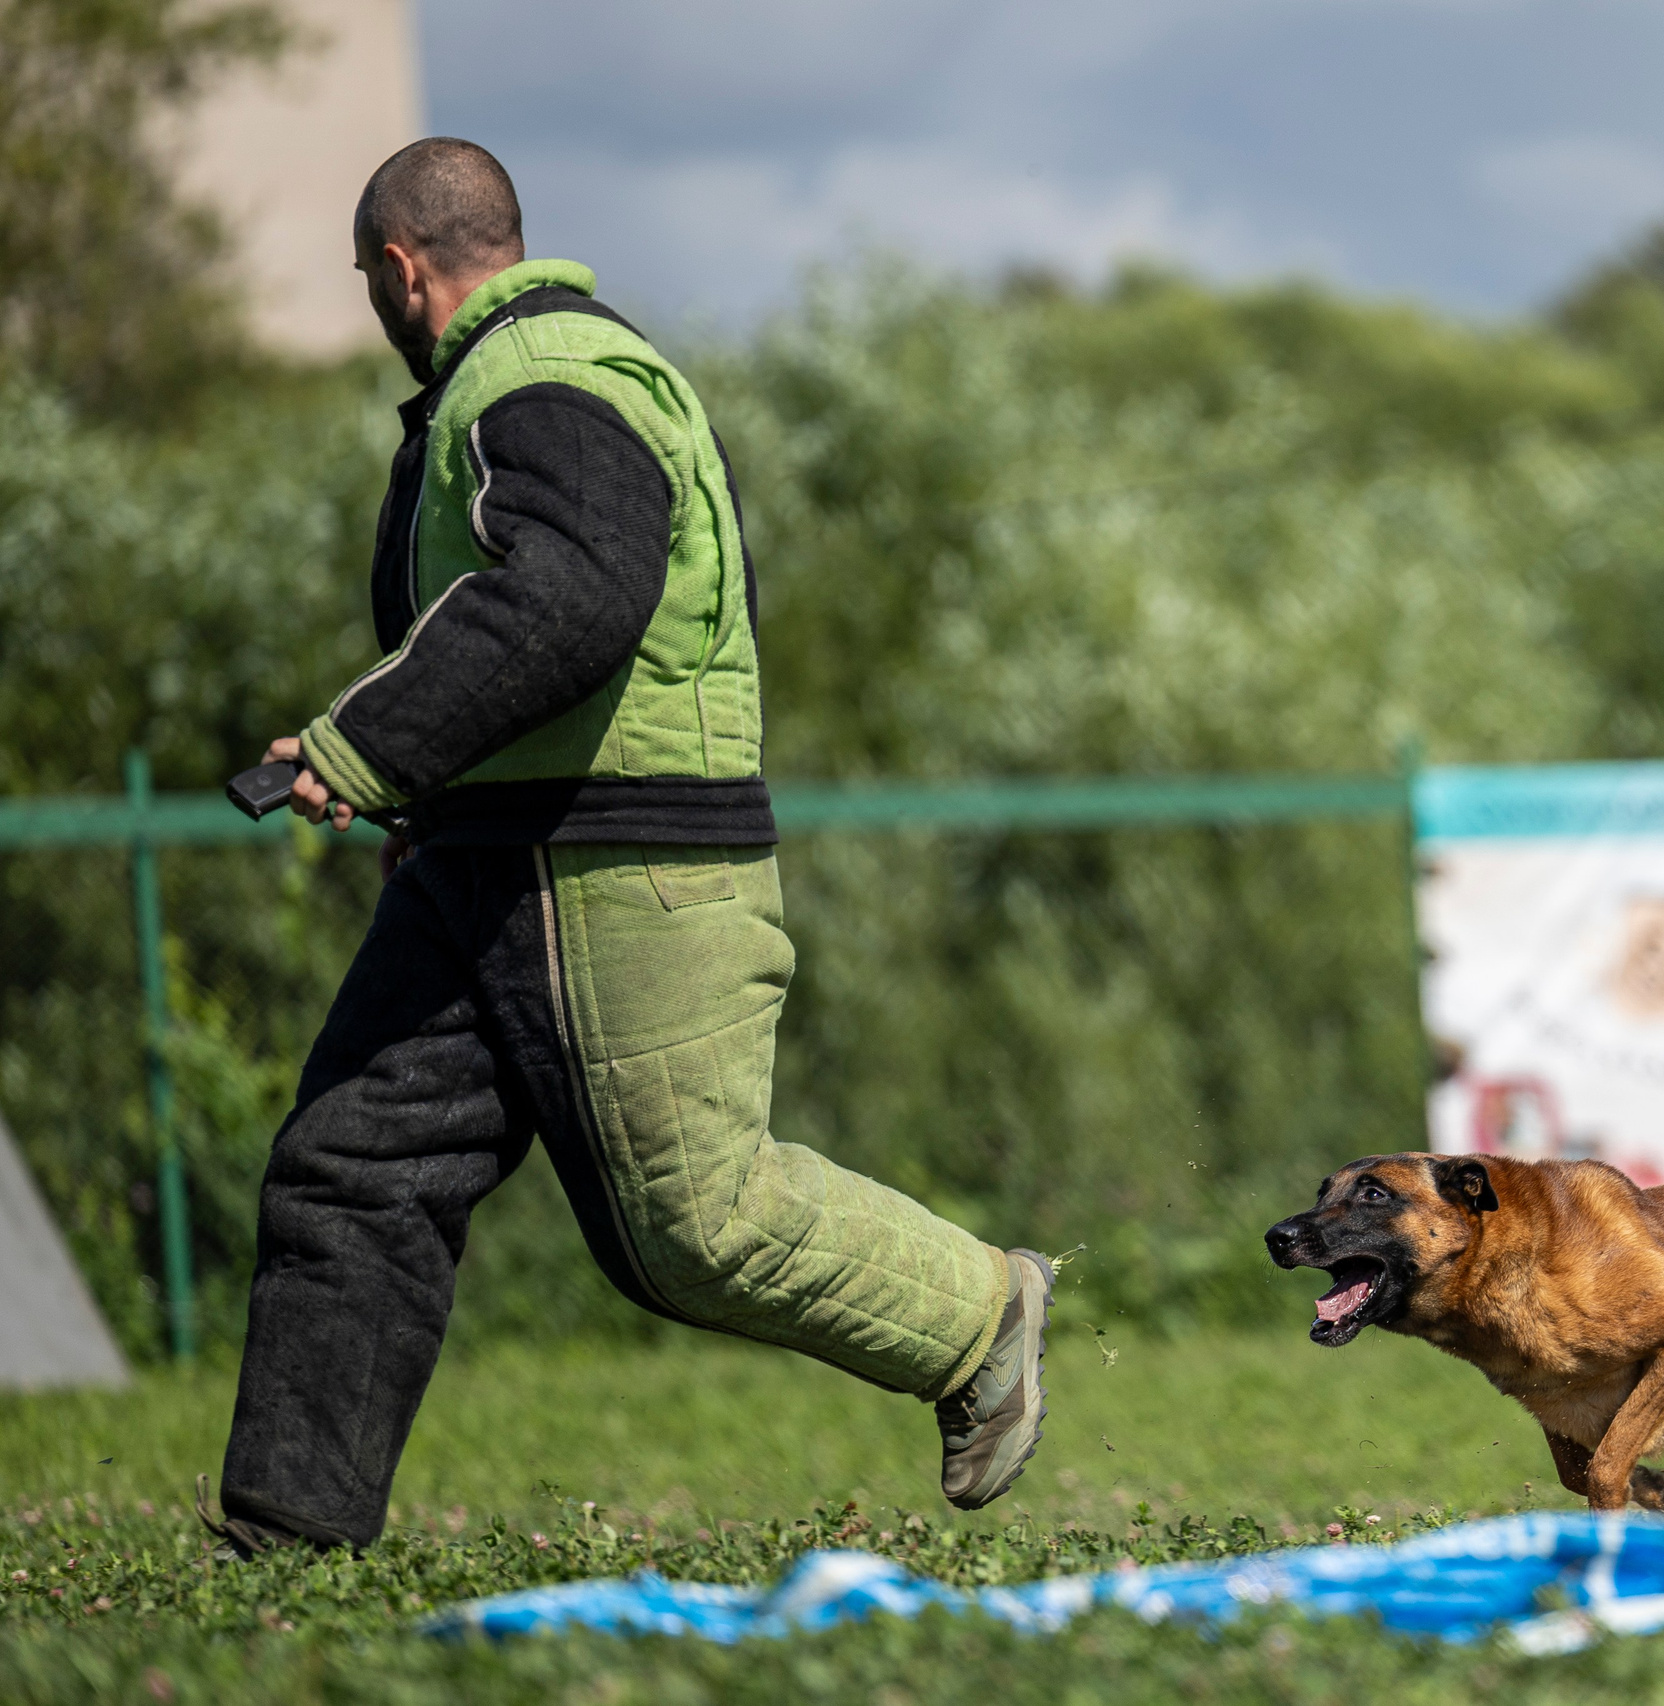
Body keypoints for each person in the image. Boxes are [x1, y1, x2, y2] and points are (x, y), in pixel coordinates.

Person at [201, 138, 1050, 1554]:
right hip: (494, 853)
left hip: (616, 855)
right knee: (352, 1165)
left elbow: (579, 595)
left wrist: (366, 745)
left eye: (367, 279)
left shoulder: (548, 377)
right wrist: (431, 806)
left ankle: (980, 1313)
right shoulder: (524, 380)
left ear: (400, 270)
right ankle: (285, 1535)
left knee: (692, 1225)